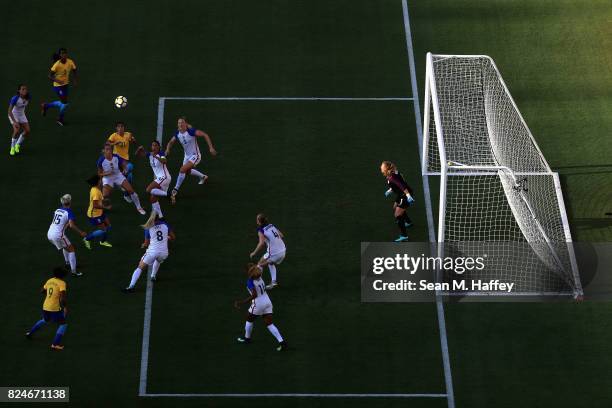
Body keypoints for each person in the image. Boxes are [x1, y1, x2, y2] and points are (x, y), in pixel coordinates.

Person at [234, 263, 287, 351]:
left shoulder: (250, 281)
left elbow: (254, 295)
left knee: (249, 319)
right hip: (267, 302)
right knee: (270, 324)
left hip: (258, 304)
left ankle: (247, 339)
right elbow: (261, 266)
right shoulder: (260, 274)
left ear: (248, 272)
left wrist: (242, 302)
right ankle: (282, 343)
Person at [164, 117, 217, 201]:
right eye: (179, 123)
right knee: (187, 171)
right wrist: (168, 149)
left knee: (182, 170)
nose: (180, 124)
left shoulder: (191, 131)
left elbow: (205, 135)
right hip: (187, 155)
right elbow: (171, 142)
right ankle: (203, 177)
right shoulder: (177, 133)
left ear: (185, 124)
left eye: (182, 123)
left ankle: (175, 190)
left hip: (195, 155)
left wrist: (211, 148)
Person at [123, 212, 175, 292]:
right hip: (164, 253)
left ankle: (131, 286)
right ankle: (153, 276)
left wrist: (143, 245)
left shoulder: (148, 228)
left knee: (140, 267)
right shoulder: (165, 225)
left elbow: (146, 243)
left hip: (152, 252)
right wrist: (166, 237)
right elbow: (173, 237)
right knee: (158, 260)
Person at [26, 267, 69, 351]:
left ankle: (30, 333)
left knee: (45, 320)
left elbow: (42, 290)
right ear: (62, 275)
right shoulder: (62, 283)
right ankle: (55, 344)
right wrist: (65, 307)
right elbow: (63, 298)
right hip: (54, 308)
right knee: (63, 324)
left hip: (45, 306)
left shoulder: (49, 280)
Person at [97, 143, 145, 215]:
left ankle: (139, 207)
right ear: (104, 151)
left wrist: (125, 169)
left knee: (131, 190)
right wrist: (107, 174)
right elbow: (99, 173)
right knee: (105, 196)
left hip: (118, 176)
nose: (109, 151)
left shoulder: (116, 157)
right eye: (107, 149)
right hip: (108, 178)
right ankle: (104, 208)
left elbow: (124, 163)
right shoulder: (101, 161)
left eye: (110, 149)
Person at [47, 194, 87, 276]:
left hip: (49, 233)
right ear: (70, 202)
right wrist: (81, 232)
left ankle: (68, 263)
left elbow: (61, 223)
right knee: (71, 249)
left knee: (65, 246)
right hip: (58, 235)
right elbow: (72, 225)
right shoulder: (69, 212)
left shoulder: (57, 210)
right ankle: (74, 271)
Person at [135, 141, 173, 217]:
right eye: (153, 145)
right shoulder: (149, 154)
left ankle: (168, 195)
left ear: (159, 147)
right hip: (161, 179)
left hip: (164, 177)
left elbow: (164, 161)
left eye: (156, 145)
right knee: (152, 198)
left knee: (148, 189)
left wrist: (155, 156)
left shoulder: (161, 154)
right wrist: (138, 149)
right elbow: (138, 155)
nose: (154, 147)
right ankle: (160, 216)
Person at [41, 48, 78, 126]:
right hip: (58, 86)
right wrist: (58, 81)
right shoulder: (57, 65)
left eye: (65, 53)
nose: (64, 55)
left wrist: (75, 80)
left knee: (63, 103)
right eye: (62, 54)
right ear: (60, 55)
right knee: (64, 103)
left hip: (66, 85)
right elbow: (49, 76)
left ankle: (46, 106)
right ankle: (60, 119)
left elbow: (74, 69)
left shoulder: (70, 62)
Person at [381, 161, 415, 242]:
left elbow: (402, 185)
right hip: (401, 194)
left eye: (382, 167)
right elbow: (396, 184)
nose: (380, 168)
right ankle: (408, 222)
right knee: (395, 207)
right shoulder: (392, 174)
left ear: (385, 169)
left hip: (404, 195)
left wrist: (408, 196)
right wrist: (390, 190)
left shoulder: (392, 176)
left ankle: (404, 236)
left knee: (397, 214)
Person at [250, 214, 286, 289]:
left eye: (257, 219)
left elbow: (261, 243)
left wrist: (254, 252)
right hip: (283, 250)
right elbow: (282, 235)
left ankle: (257, 285)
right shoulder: (271, 225)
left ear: (259, 222)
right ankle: (274, 282)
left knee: (260, 264)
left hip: (274, 253)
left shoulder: (261, 230)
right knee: (270, 263)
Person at [107, 122, 136, 203]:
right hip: (116, 159)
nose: (120, 128)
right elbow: (107, 143)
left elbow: (133, 141)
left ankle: (126, 194)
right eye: (118, 127)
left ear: (124, 128)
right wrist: (114, 143)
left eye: (122, 126)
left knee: (130, 176)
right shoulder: (114, 135)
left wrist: (133, 140)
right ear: (116, 128)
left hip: (125, 160)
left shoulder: (128, 134)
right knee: (130, 167)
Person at [83, 175, 113, 248]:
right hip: (95, 215)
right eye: (100, 180)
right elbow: (95, 205)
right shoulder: (96, 192)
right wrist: (106, 207)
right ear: (97, 182)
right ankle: (87, 239)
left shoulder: (95, 188)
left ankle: (103, 241)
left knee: (109, 226)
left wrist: (104, 201)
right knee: (103, 230)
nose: (101, 181)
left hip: (100, 212)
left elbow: (98, 201)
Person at [8, 84, 31, 156]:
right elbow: (9, 111)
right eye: (23, 89)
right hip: (13, 114)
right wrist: (15, 122)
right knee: (17, 130)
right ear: (19, 91)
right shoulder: (15, 98)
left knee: (27, 131)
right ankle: (12, 147)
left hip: (21, 115)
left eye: (26, 89)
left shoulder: (28, 97)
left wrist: (22, 117)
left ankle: (17, 144)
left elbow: (23, 106)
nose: (25, 90)